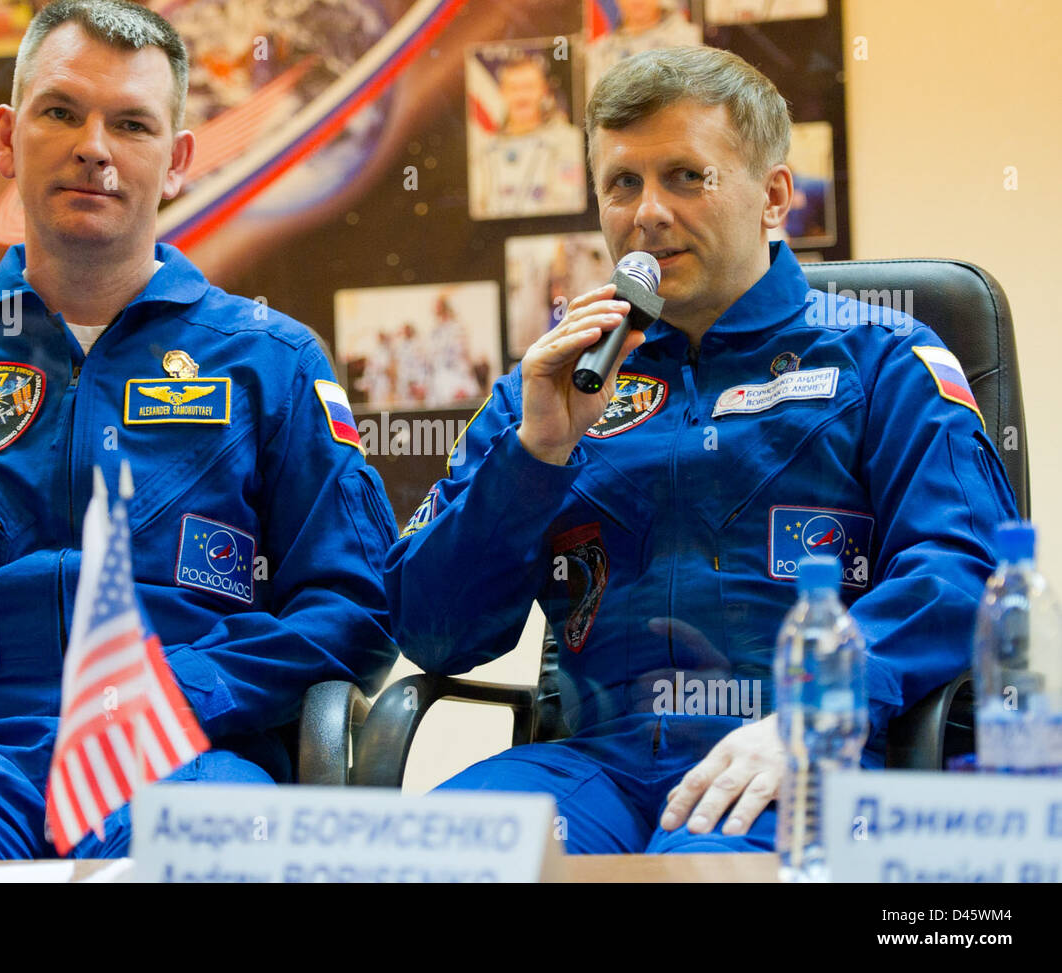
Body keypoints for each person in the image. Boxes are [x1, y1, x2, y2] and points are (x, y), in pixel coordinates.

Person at [0, 0, 399, 860]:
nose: (93, 147)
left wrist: (187, 689)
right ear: (5, 137)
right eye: (61, 111)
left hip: (183, 752)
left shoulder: (271, 362)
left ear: (177, 161)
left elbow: (354, 608)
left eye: (131, 123)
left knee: (220, 862)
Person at [385, 46, 1019, 854]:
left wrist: (819, 705)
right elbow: (433, 634)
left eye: (686, 176)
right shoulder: (548, 386)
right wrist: (535, 454)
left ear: (774, 197)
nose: (647, 212)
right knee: (420, 856)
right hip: (596, 764)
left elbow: (968, 570)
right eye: (623, 183)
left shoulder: (883, 359)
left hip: (802, 754)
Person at [469, 54, 586, 220]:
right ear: (502, 92)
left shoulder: (569, 140)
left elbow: (572, 203)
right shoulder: (484, 150)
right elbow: (477, 207)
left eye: (529, 87)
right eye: (514, 88)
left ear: (543, 90)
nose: (521, 96)